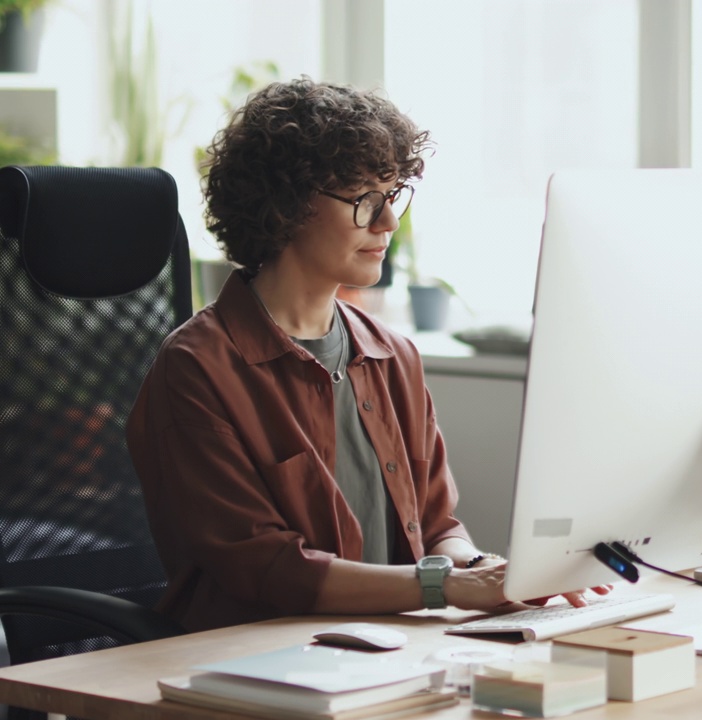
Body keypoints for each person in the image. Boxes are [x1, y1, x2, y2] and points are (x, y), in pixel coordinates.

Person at [127, 77, 605, 632]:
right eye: (364, 200)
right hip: (257, 663)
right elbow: (267, 569)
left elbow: (434, 525)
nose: (388, 222)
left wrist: (488, 572)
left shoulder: (391, 353)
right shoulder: (198, 367)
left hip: (387, 648)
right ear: (285, 205)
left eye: (392, 195)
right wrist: (445, 586)